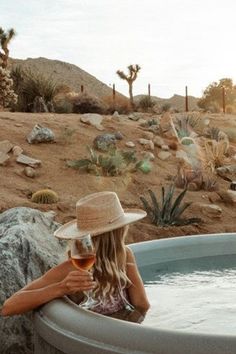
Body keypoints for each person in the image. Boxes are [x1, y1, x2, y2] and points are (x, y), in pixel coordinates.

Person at [1, 191, 150, 323]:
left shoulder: (125, 256)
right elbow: (9, 307)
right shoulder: (73, 267)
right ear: (121, 230)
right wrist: (62, 287)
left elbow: (142, 304)